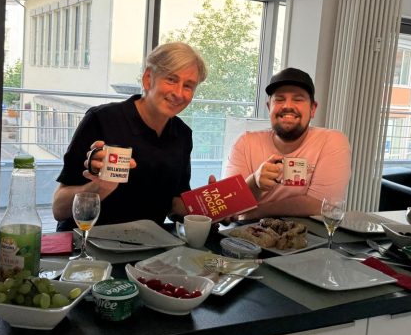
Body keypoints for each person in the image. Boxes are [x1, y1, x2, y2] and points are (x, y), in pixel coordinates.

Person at [52, 42, 207, 230]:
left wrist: (213, 205)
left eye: (188, 86)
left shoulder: (182, 134)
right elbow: (59, 209)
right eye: (171, 80)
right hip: (87, 240)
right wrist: (100, 187)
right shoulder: (101, 120)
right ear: (148, 79)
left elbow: (174, 205)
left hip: (149, 242)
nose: (179, 93)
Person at [224, 67, 351, 220]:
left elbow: (321, 205)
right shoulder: (245, 143)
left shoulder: (332, 140)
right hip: (249, 232)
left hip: (309, 233)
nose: (287, 106)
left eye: (298, 99)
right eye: (279, 99)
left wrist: (257, 211)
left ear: (312, 109)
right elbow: (231, 205)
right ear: (269, 107)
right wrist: (255, 182)